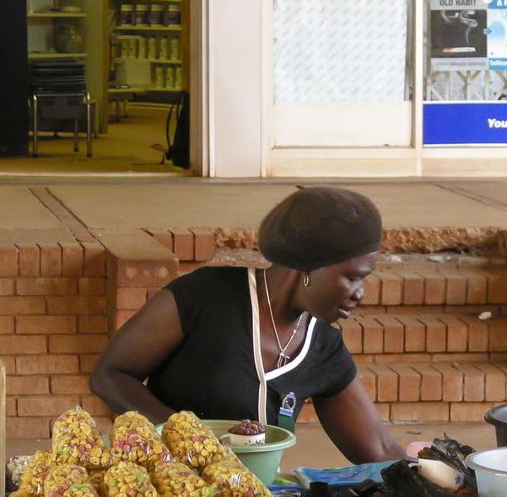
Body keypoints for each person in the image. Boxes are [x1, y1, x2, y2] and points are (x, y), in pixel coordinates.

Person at [90, 186, 408, 465]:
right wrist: (185, 439)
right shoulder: (205, 296)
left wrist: (443, 474)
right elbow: (111, 374)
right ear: (309, 265)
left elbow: (379, 449)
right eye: (353, 277)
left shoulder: (323, 348)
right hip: (163, 494)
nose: (360, 293)